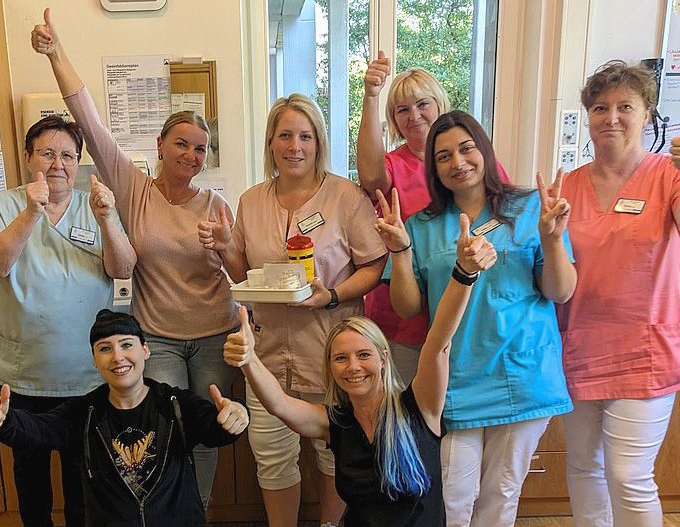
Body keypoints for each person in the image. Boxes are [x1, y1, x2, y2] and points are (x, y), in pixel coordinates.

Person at [32, 8, 240, 507]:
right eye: (182, 144)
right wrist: (56, 53)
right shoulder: (134, 188)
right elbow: (89, 121)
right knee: (160, 433)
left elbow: (239, 272)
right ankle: (161, 513)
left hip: (215, 335)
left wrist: (224, 245)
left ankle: (196, 512)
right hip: (158, 338)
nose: (191, 155)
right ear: (160, 145)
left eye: (201, 149)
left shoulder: (217, 204)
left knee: (205, 433)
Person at [222, 194, 493, 525]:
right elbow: (279, 404)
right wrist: (249, 359)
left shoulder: (420, 407)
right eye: (341, 358)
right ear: (331, 368)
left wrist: (464, 273)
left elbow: (438, 344)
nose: (353, 367)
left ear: (383, 358)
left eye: (363, 355)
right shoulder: (337, 423)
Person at [200, 93, 387, 526]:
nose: (294, 146)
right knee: (272, 458)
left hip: (331, 357)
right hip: (267, 356)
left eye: (305, 136)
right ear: (270, 142)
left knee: (335, 454)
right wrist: (226, 248)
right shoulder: (251, 201)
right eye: (284, 136)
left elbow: (374, 265)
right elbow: (245, 275)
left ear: (319, 142)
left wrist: (333, 295)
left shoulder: (345, 197)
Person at [387, 110, 576, 527]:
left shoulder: (531, 208)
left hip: (522, 374)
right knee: (451, 497)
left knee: (500, 496)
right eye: (443, 156)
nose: (458, 162)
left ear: (484, 151)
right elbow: (407, 307)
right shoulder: (422, 226)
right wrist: (399, 250)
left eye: (466, 149)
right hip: (456, 379)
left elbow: (560, 291)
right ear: (433, 168)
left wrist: (551, 239)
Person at [556, 60, 680, 527]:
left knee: (628, 476)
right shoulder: (568, 185)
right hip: (581, 348)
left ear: (646, 114)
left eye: (625, 107)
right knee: (584, 467)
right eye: (600, 108)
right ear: (588, 116)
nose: (611, 117)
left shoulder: (670, 174)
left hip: (645, 352)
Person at [0, 114, 136, 526]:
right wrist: (32, 213)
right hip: (22, 372)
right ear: (29, 157)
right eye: (47, 153)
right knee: (30, 476)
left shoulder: (95, 206)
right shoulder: (4, 206)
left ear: (78, 162)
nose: (57, 164)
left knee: (83, 476)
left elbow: (122, 268)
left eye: (68, 155)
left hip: (85, 373)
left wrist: (106, 219)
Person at [0, 309, 248, 527]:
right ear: (94, 360)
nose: (118, 357)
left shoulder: (174, 403)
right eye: (105, 349)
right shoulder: (83, 412)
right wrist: (3, 422)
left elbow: (213, 428)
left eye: (126, 345)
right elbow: (39, 429)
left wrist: (233, 418)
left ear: (145, 350)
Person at [356, 51, 511, 385]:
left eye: (422, 104)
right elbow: (370, 177)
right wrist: (370, 96)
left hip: (472, 314)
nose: (414, 116)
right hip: (405, 316)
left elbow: (504, 222)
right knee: (409, 407)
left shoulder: (477, 163)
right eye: (402, 110)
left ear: (439, 104)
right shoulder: (393, 165)